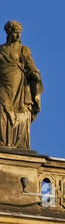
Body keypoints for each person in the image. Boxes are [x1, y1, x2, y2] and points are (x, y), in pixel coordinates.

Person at [0, 20, 43, 151]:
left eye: (19, 33)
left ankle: (19, 144)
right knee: (2, 111)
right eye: (15, 33)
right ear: (9, 33)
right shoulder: (1, 50)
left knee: (20, 112)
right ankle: (3, 142)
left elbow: (31, 66)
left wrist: (35, 74)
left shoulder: (23, 50)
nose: (18, 36)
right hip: (3, 85)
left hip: (19, 85)